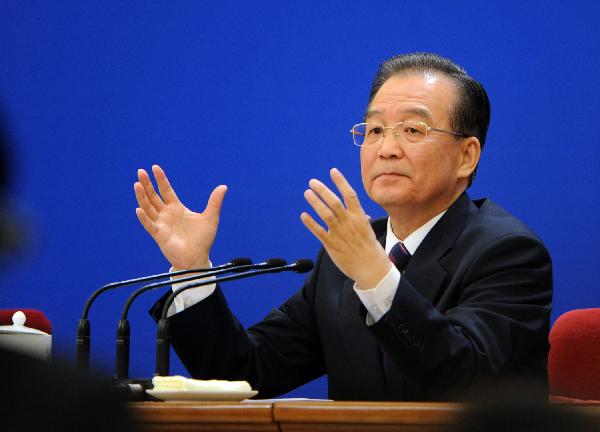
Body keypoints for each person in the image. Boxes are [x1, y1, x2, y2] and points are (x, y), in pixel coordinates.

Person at [136, 52, 552, 401]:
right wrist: (192, 268)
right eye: (375, 130)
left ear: (466, 156)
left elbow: (466, 380)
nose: (387, 149)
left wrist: (375, 276)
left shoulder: (508, 252)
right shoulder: (346, 258)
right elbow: (246, 373)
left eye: (413, 129)